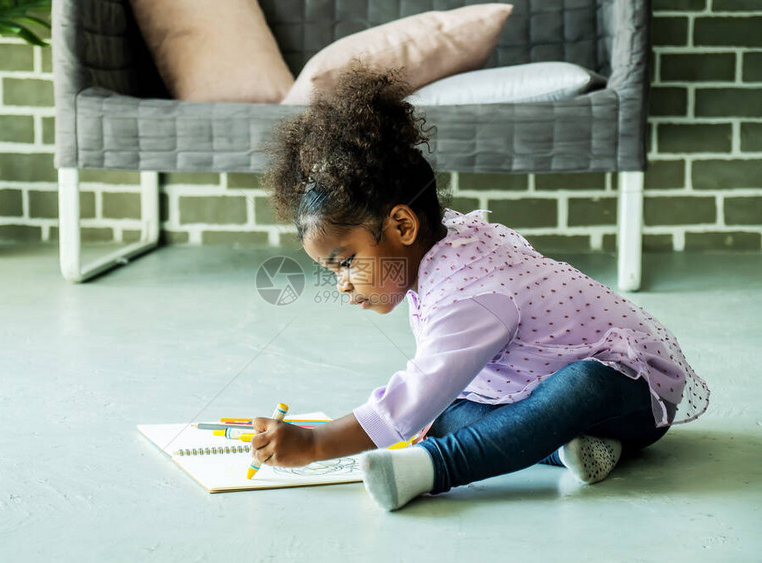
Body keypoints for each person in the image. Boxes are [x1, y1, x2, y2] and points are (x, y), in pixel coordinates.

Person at [254, 65, 710, 511]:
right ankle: (565, 447)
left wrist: (314, 443)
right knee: (445, 414)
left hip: (631, 389)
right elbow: (428, 395)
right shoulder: (440, 245)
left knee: (582, 385)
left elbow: (409, 399)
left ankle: (433, 469)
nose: (341, 284)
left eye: (347, 262)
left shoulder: (471, 292)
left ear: (402, 225)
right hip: (535, 389)